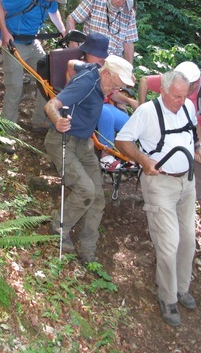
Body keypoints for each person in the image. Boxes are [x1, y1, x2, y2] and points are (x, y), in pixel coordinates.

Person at [116, 70, 201, 326]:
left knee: (188, 241)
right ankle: (167, 298)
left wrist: (199, 146)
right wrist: (144, 160)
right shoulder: (147, 112)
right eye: (177, 96)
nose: (182, 101)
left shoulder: (187, 105)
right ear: (164, 92)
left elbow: (195, 129)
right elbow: (122, 140)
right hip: (160, 184)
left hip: (186, 182)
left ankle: (182, 287)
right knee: (169, 244)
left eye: (184, 95)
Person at [45, 55, 135, 264]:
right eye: (116, 84)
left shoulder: (98, 73)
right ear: (106, 74)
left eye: (120, 87)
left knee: (97, 198)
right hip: (62, 140)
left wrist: (129, 100)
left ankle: (87, 248)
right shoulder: (86, 83)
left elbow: (72, 63)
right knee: (86, 189)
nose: (116, 91)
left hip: (84, 144)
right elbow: (51, 104)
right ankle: (60, 226)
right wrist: (58, 121)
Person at [138, 61, 201, 272]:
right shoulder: (173, 83)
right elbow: (144, 81)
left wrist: (195, 140)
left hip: (200, 142)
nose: (184, 94)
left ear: (196, 82)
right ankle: (173, 242)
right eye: (178, 91)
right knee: (174, 192)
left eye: (188, 89)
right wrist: (141, 108)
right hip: (176, 143)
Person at [0, 0, 68, 130]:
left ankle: (39, 120)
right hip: (15, 43)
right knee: (15, 86)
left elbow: (53, 12)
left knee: (48, 79)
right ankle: (6, 128)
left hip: (32, 42)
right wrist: (5, 33)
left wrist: (62, 29)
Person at [66, 33, 139, 148]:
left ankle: (131, 154)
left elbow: (112, 93)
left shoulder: (104, 69)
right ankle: (106, 154)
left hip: (104, 103)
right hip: (87, 105)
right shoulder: (85, 67)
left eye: (102, 56)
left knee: (125, 120)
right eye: (96, 54)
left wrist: (129, 101)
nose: (101, 58)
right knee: (106, 114)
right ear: (87, 53)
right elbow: (71, 64)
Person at [66, 0, 138, 65]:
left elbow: (129, 43)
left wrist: (129, 68)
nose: (121, 2)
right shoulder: (94, 0)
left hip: (114, 63)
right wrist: (73, 45)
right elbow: (71, 18)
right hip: (91, 58)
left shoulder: (129, 12)